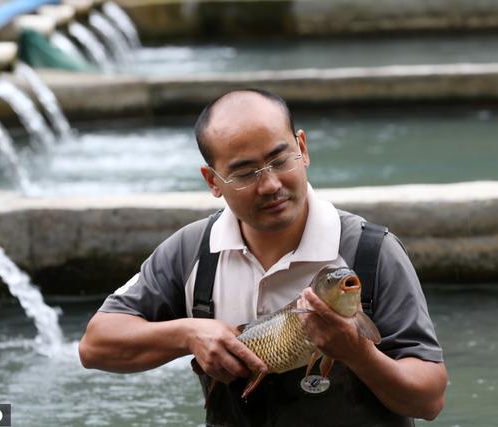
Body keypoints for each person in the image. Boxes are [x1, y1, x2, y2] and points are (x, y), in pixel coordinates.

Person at [79, 89, 447, 426]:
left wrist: (358, 354)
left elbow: (429, 398)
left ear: (302, 148)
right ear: (212, 181)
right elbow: (95, 345)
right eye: (244, 173)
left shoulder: (371, 252)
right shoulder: (192, 251)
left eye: (279, 159)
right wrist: (188, 333)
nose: (270, 184)